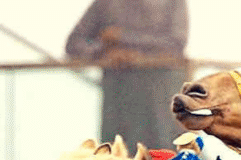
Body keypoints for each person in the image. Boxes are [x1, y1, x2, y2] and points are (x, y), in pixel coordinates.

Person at [65, 0, 189, 149]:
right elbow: (74, 44)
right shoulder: (106, 3)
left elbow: (176, 42)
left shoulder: (172, 2)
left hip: (161, 104)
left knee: (165, 156)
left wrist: (123, 39)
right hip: (120, 105)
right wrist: (105, 52)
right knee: (119, 158)